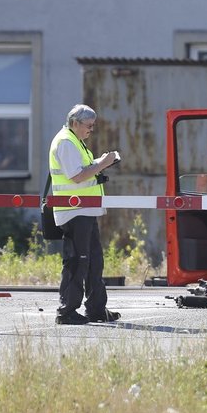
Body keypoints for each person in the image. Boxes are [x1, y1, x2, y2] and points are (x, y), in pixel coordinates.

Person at [49, 104, 122, 325]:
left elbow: (83, 172)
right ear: (75, 123)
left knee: (93, 262)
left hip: (84, 210)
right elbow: (77, 177)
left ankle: (97, 309)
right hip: (74, 211)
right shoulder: (66, 142)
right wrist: (103, 164)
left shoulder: (75, 141)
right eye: (88, 126)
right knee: (77, 262)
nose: (91, 130)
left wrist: (98, 163)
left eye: (93, 126)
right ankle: (67, 311)